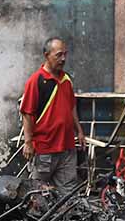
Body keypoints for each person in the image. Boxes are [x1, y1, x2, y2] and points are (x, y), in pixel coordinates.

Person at [20, 37, 85, 193]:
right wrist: (28, 142)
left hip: (67, 148)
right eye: (58, 55)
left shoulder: (66, 79)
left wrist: (79, 131)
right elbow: (27, 113)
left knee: (68, 193)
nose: (63, 59)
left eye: (65, 54)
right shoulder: (36, 81)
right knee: (38, 193)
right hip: (45, 149)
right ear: (46, 55)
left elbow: (71, 107)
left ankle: (66, 218)